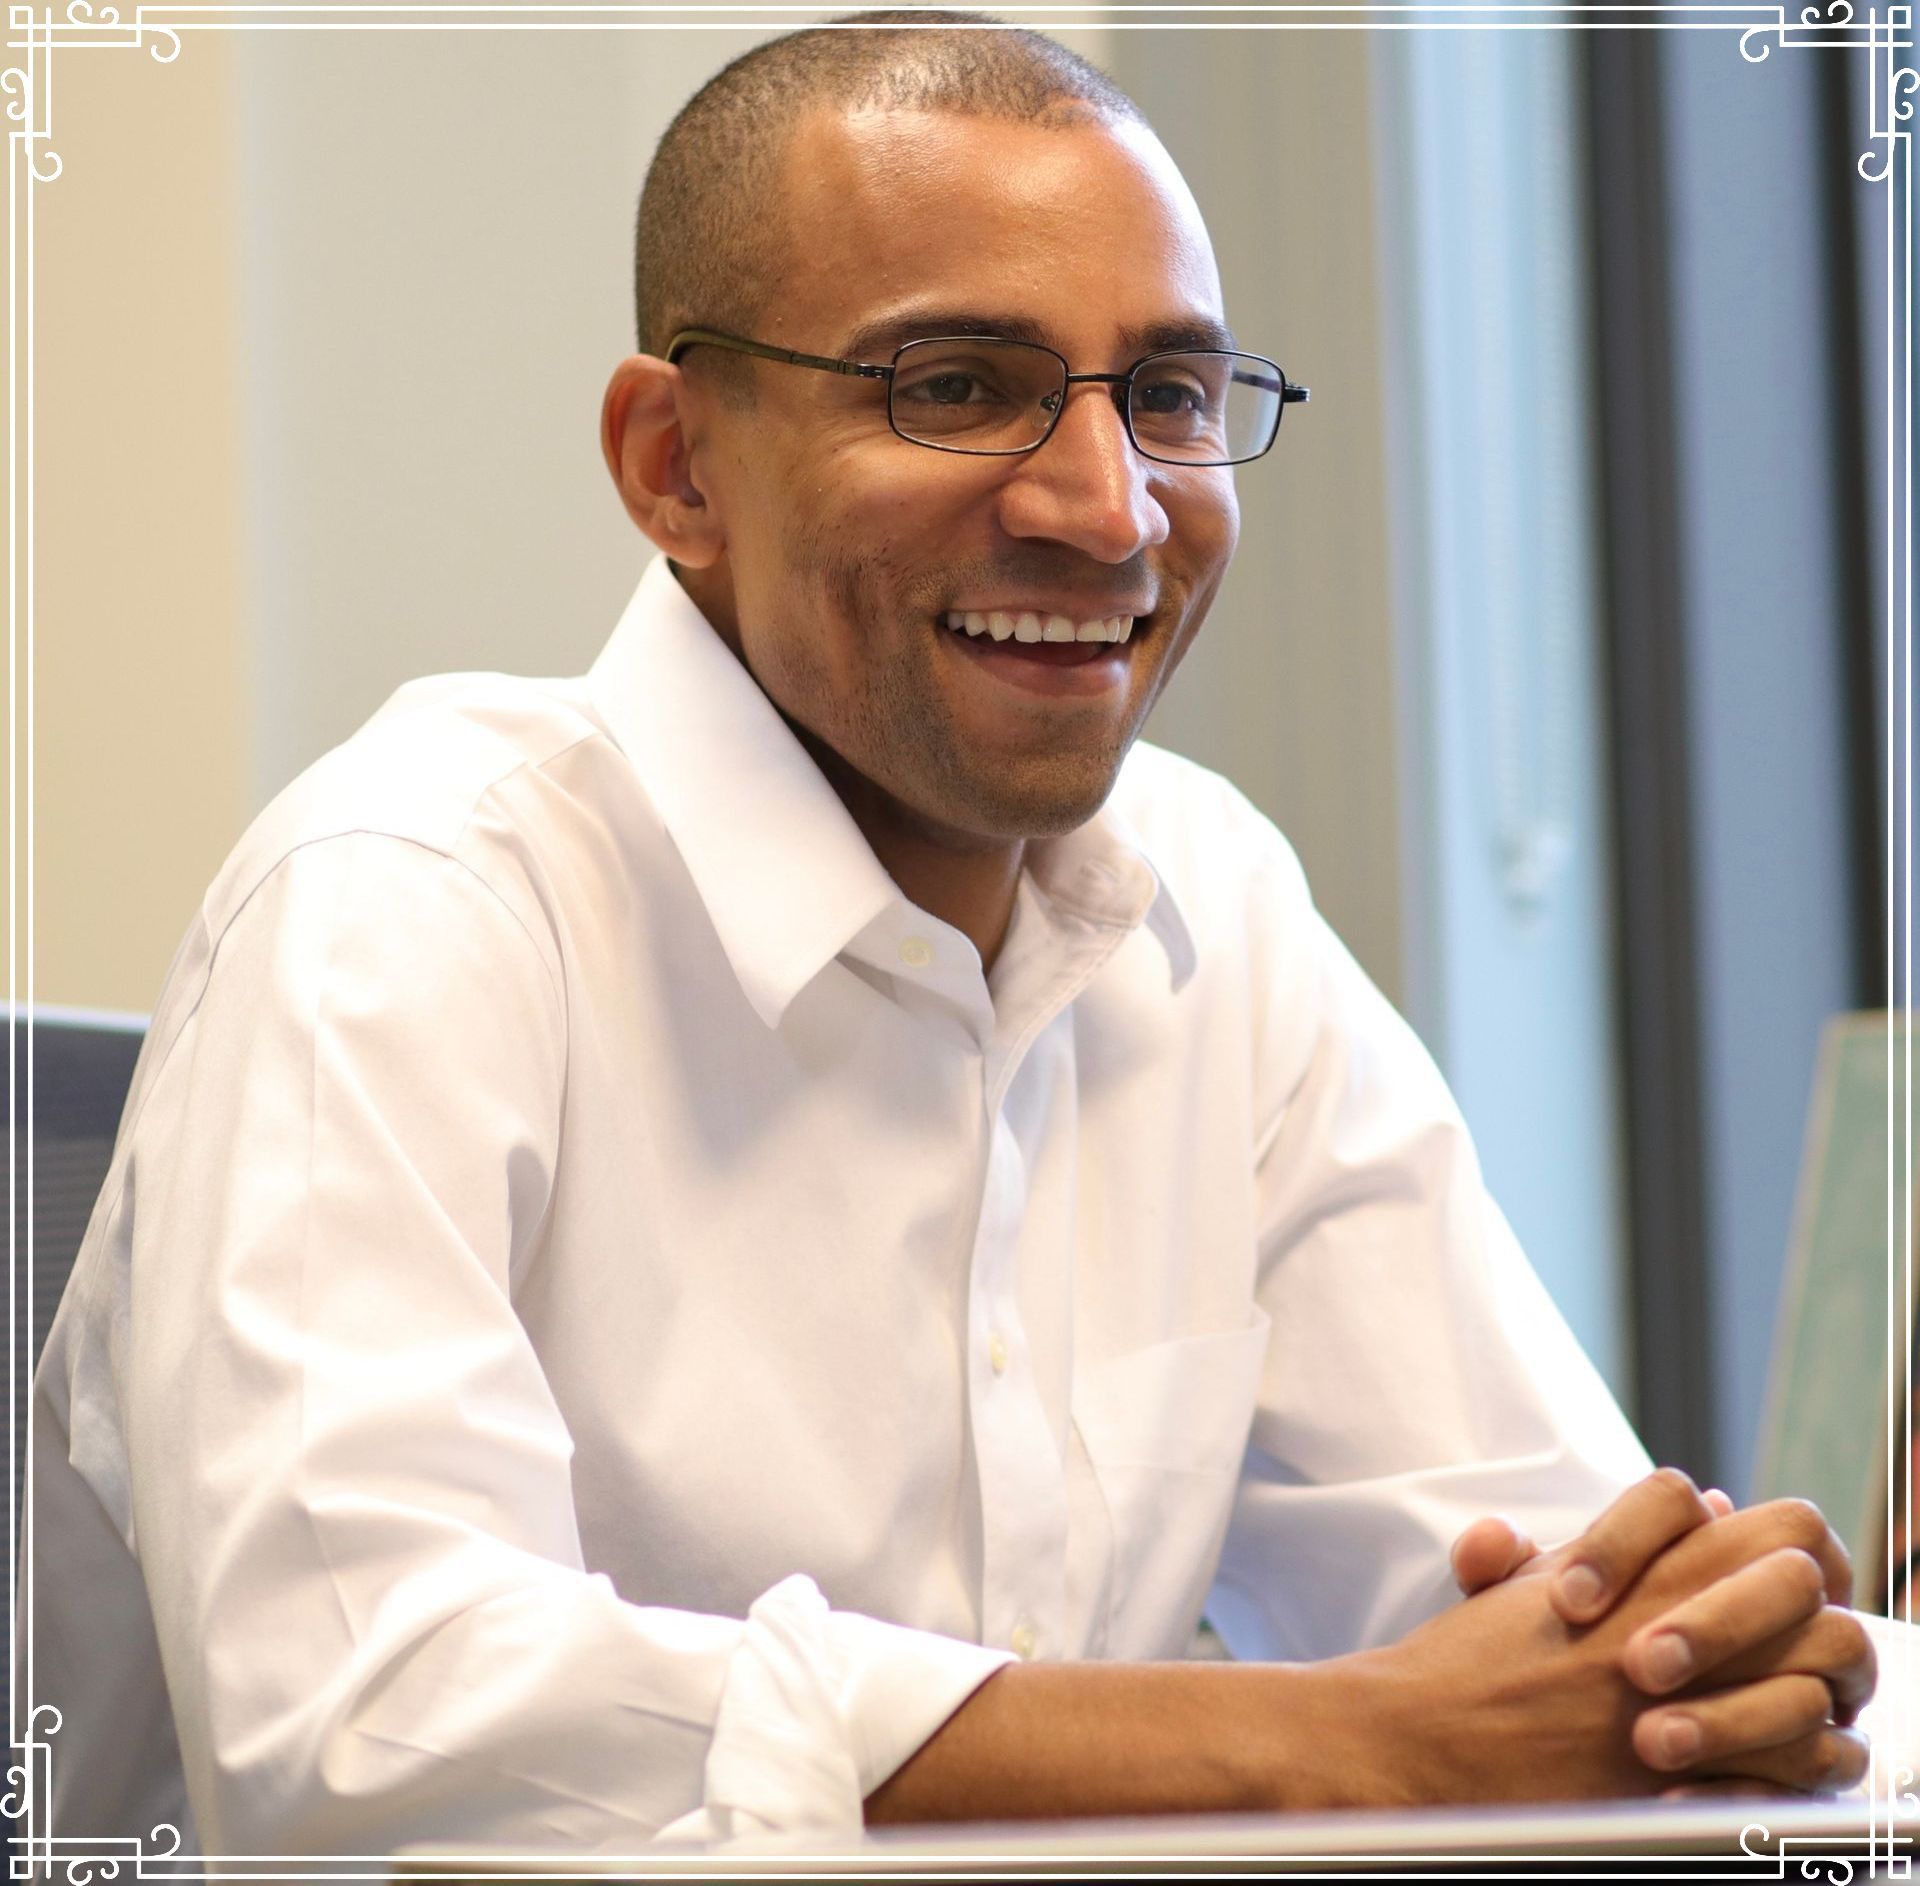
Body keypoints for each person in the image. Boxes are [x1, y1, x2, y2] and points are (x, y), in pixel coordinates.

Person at [27, 12, 1874, 1855]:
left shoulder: (1208, 904)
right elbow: (369, 1719)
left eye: (1166, 393)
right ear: (674, 464)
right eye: (959, 385)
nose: (1109, 506)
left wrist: (1699, 1653)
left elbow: (1539, 1606)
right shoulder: (404, 899)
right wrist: (1328, 1745)